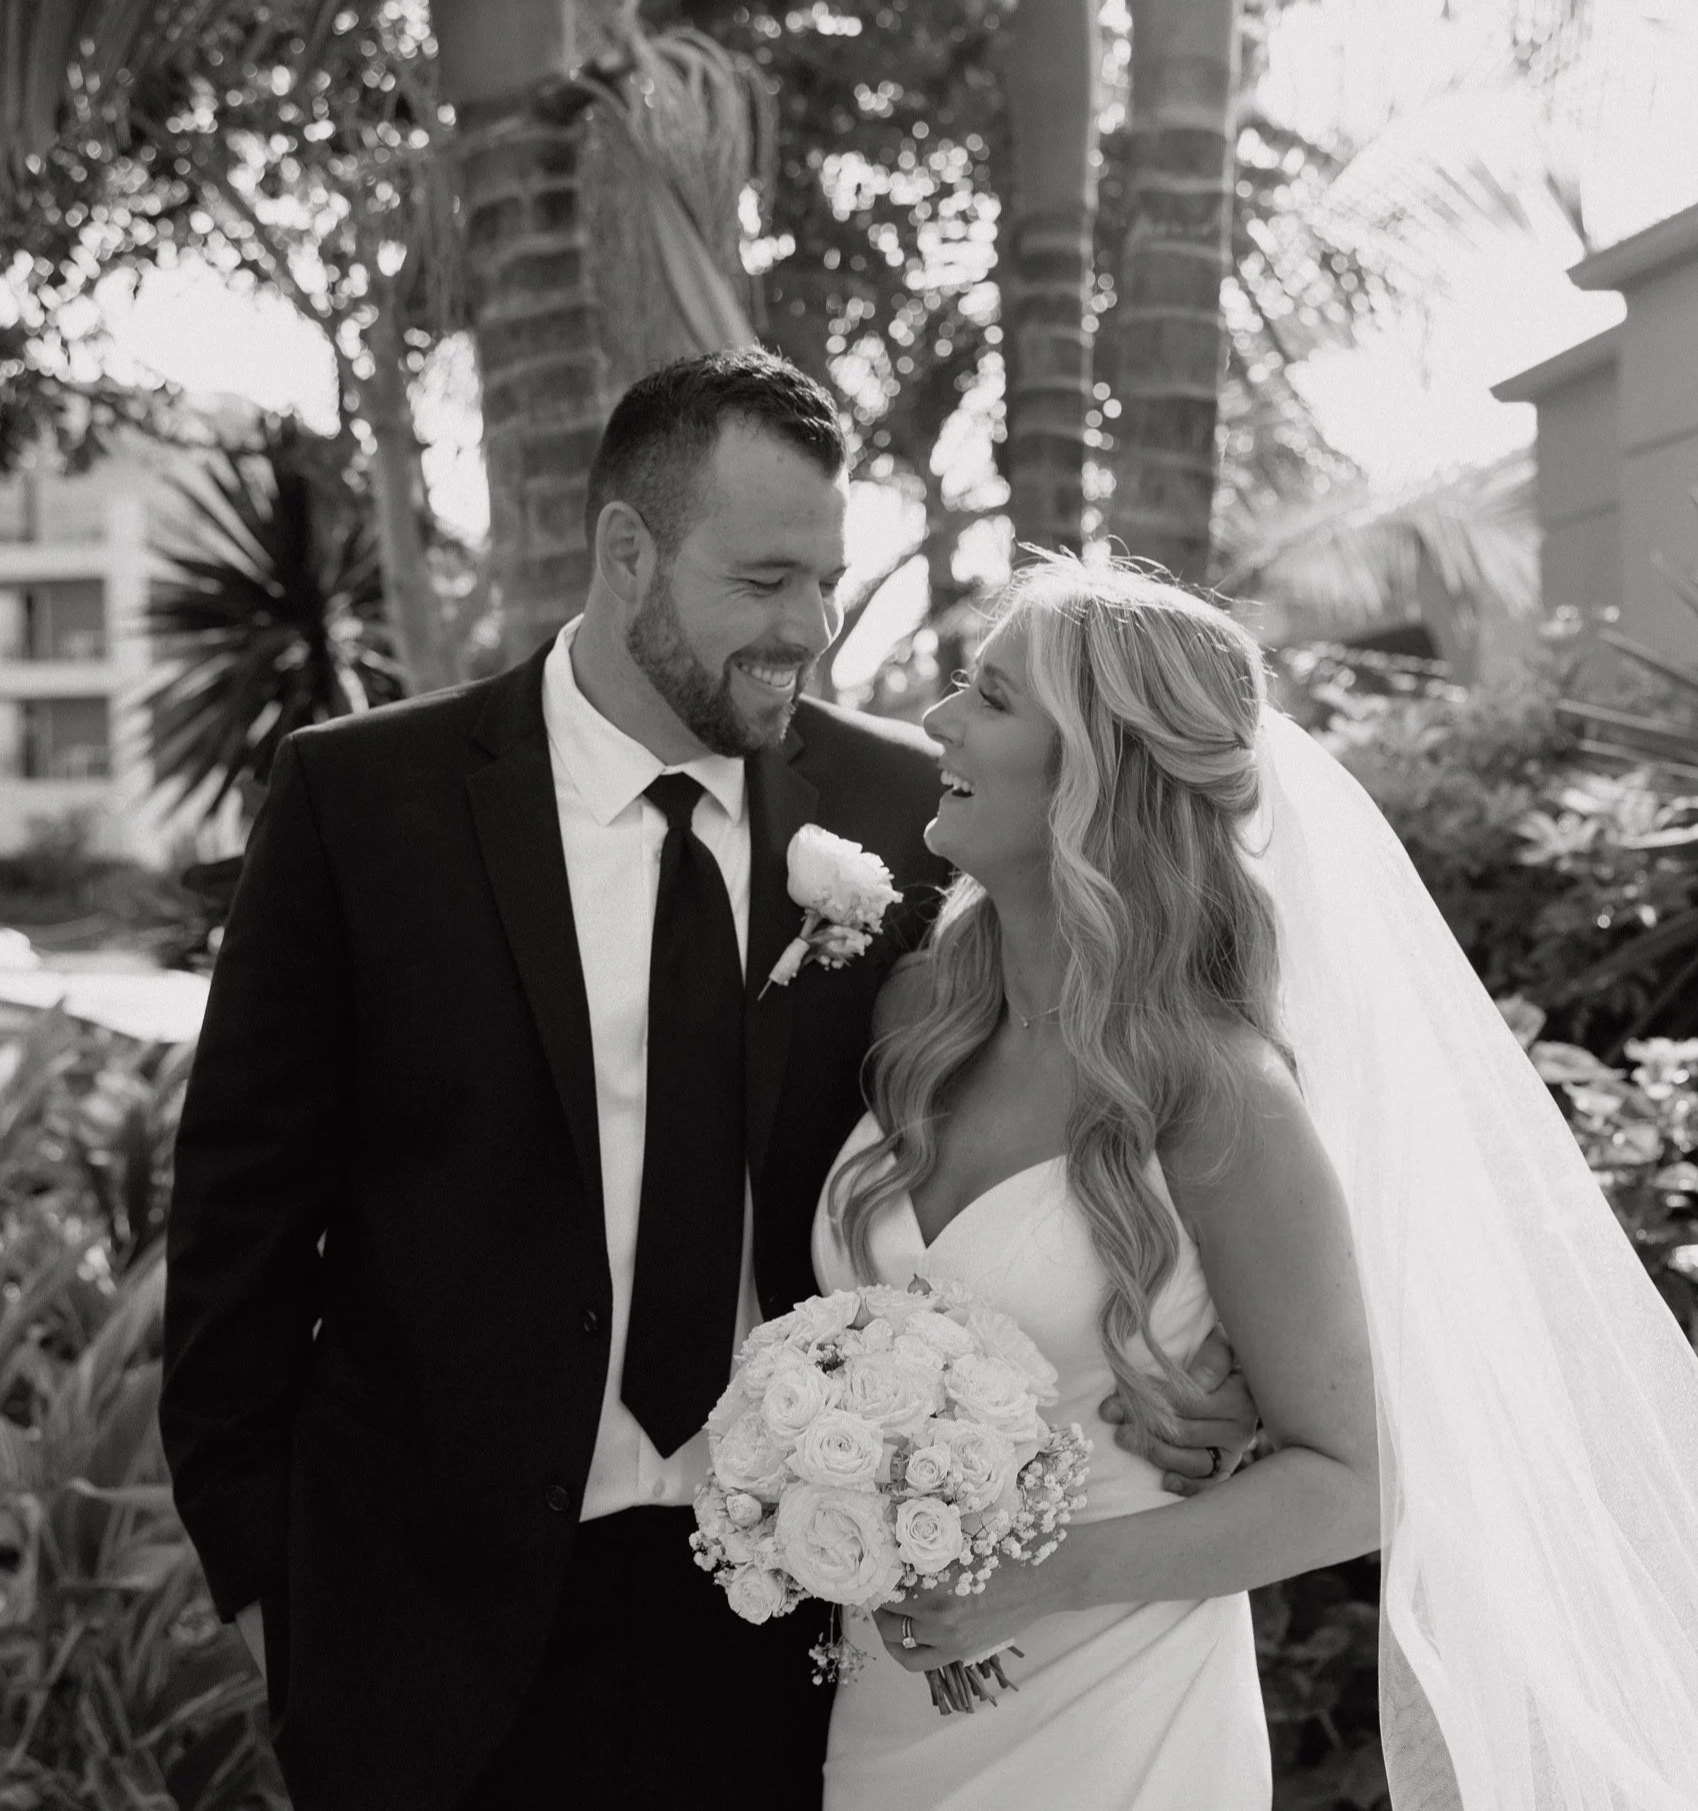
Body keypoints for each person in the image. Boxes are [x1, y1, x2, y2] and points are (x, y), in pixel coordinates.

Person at [159, 351, 1255, 1811]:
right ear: (626, 553)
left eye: (824, 578)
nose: (807, 627)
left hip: (794, 1625)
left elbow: (1117, 1072)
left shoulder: (903, 814)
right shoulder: (363, 802)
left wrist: (1219, 1355)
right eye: (762, 581)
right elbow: (236, 1226)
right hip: (421, 1631)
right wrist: (270, 1590)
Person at [812, 555, 1698, 1811]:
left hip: (1116, 1714)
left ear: (1097, 774)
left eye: (990, 697)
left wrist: (1038, 1572)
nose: (939, 722)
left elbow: (1357, 1478)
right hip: (889, 1705)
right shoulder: (921, 1010)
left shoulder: (1215, 1090)